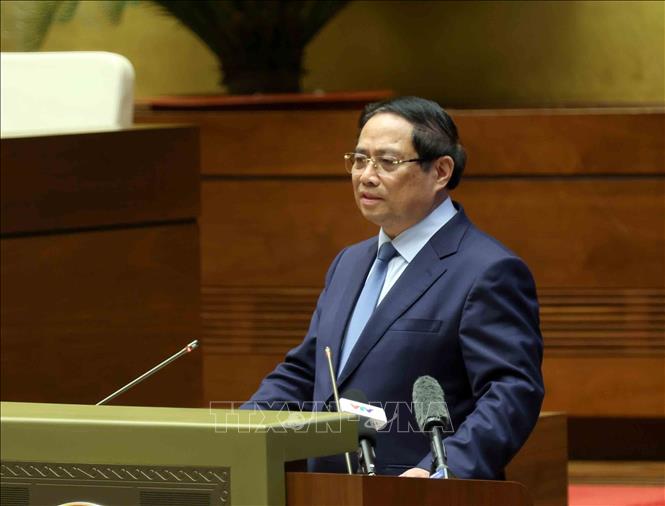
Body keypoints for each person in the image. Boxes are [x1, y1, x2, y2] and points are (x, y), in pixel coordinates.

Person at [244, 96, 544, 479]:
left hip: (418, 492)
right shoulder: (349, 263)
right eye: (359, 159)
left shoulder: (488, 270)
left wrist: (442, 471)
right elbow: (308, 372)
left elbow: (510, 392)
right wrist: (238, 433)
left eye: (387, 162)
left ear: (441, 171)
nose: (366, 176)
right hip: (329, 489)